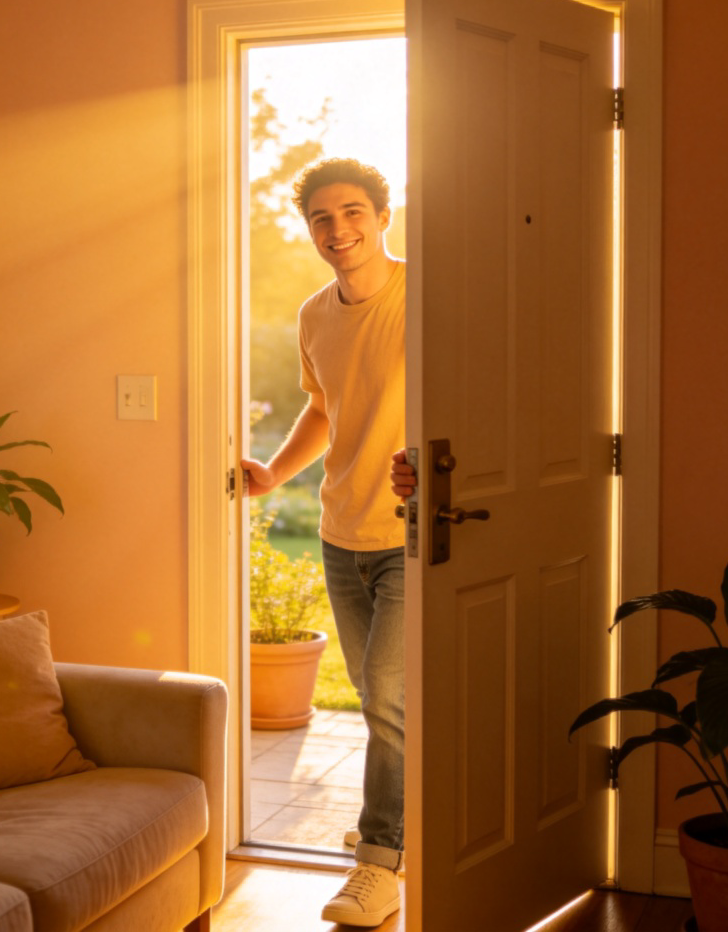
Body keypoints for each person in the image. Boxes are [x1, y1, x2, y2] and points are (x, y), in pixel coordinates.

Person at [241, 158, 406, 927]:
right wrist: (273, 475)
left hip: (414, 539)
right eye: (320, 218)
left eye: (352, 212)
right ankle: (401, 820)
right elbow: (323, 410)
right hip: (344, 536)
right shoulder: (315, 315)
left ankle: (378, 862)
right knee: (385, 698)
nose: (337, 230)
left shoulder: (423, 296)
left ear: (382, 215)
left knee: (389, 701)